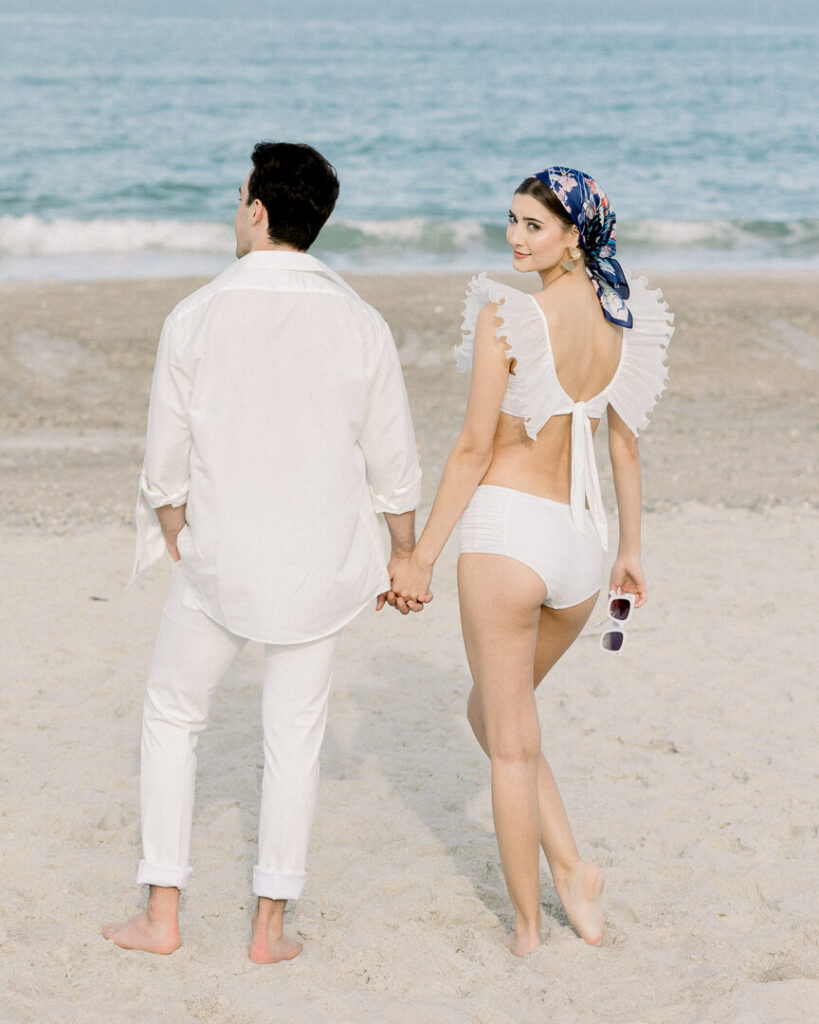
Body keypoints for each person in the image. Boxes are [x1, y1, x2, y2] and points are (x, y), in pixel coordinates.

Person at [103, 142, 423, 963]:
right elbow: (392, 458)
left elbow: (163, 456)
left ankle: (162, 912)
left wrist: (173, 528)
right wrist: (403, 554)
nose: (234, 208)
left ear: (256, 211)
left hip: (221, 558)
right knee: (295, 737)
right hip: (319, 562)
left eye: (239, 195)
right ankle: (268, 927)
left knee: (173, 715)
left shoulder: (197, 313)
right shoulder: (359, 320)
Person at [387, 167, 672, 956]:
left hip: (509, 533)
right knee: (493, 716)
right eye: (510, 220)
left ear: (572, 235)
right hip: (581, 543)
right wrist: (629, 550)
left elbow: (474, 447)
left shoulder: (506, 317)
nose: (514, 236)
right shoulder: (622, 322)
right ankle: (575, 869)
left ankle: (524, 930)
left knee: (508, 744)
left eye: (533, 225)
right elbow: (623, 443)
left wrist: (419, 558)